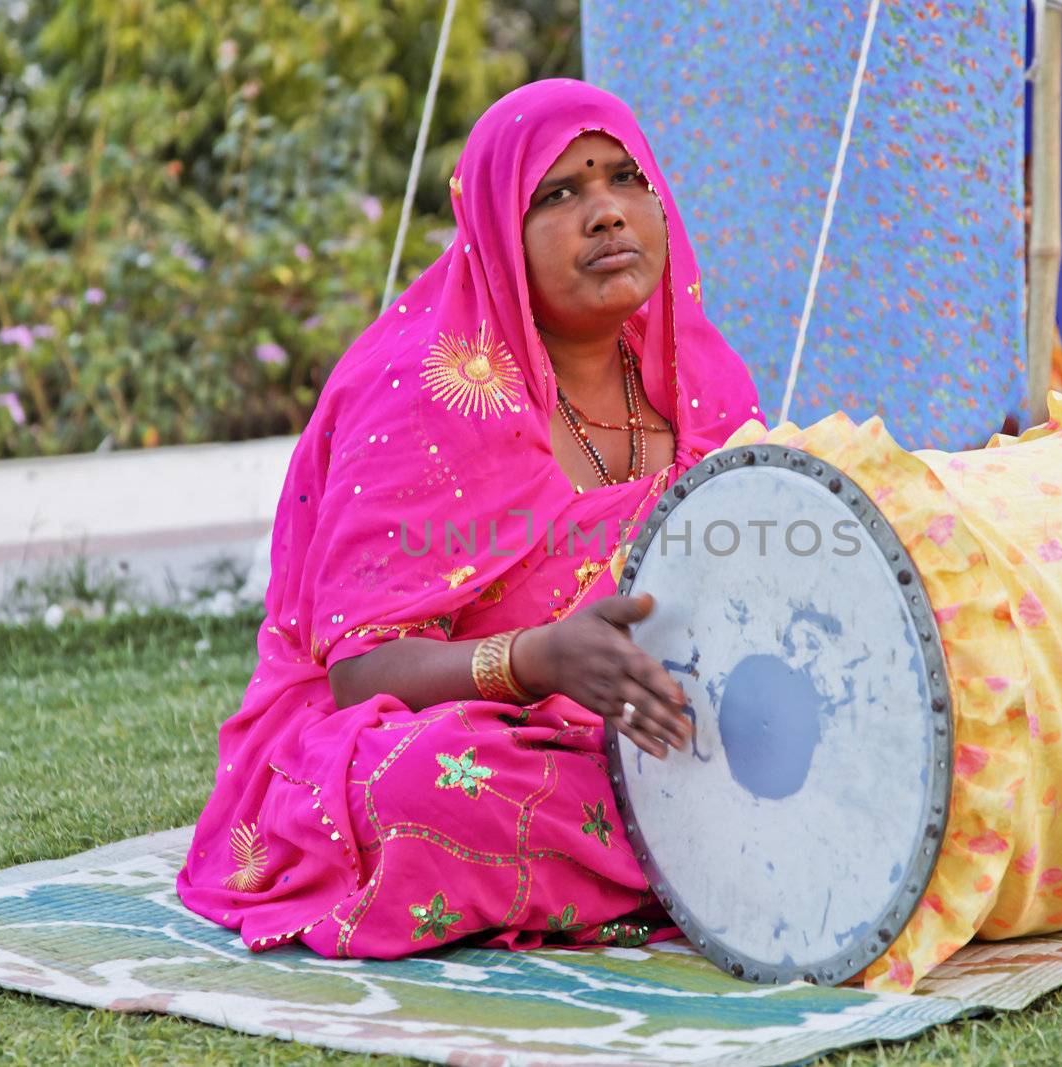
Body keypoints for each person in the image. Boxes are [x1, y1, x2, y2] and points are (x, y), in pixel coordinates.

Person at [176, 79, 764, 957]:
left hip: (654, 718)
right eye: (558, 195)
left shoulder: (696, 375)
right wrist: (539, 659)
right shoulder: (427, 391)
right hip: (462, 725)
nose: (605, 214)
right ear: (496, 231)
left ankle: (672, 841)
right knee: (419, 787)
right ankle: (712, 851)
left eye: (625, 180)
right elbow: (359, 673)